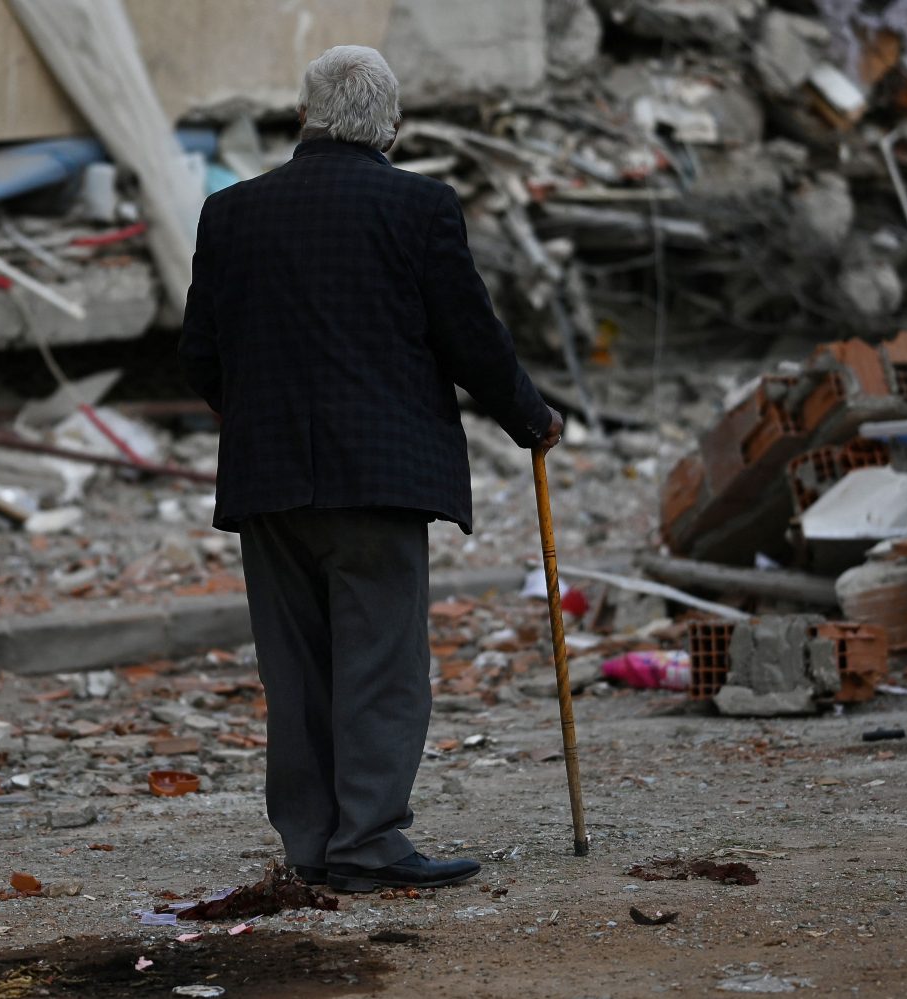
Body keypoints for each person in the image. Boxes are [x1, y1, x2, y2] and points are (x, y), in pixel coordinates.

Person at [179, 44, 562, 894]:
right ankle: (370, 841)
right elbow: (472, 338)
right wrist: (530, 420)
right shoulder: (418, 206)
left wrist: (258, 415)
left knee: (297, 667)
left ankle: (311, 844)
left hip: (270, 479)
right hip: (379, 478)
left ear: (304, 115)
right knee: (379, 665)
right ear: (391, 126)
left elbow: (200, 354)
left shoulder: (229, 211)